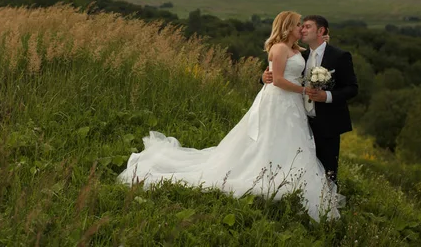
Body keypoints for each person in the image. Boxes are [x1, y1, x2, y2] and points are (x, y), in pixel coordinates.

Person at [118, 11, 341, 221]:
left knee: (291, 140)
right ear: (287, 26)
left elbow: (305, 60)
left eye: (303, 24)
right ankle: (265, 172)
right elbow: (280, 80)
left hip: (292, 105)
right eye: (297, 24)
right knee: (270, 138)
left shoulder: (296, 49)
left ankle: (288, 173)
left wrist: (322, 43)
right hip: (278, 101)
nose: (301, 27)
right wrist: (303, 90)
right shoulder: (280, 48)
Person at [262, 15, 358, 183]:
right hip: (299, 120)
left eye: (307, 27)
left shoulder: (339, 56)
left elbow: (352, 88)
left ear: (321, 31)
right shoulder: (299, 55)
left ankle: (326, 203)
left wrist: (326, 96)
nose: (302, 29)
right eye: (301, 26)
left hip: (327, 122)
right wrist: (263, 77)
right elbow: (280, 75)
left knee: (328, 170)